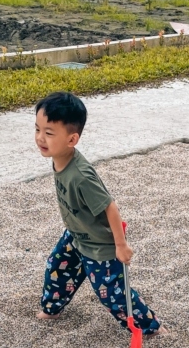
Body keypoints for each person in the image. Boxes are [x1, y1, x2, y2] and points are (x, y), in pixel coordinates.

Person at [33, 91, 165, 335]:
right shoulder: (59, 158)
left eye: (49, 133)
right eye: (38, 129)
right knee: (57, 268)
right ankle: (52, 308)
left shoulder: (82, 176)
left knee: (113, 295)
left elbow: (110, 207)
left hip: (98, 245)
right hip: (76, 234)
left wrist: (121, 245)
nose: (40, 138)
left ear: (72, 140)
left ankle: (151, 328)